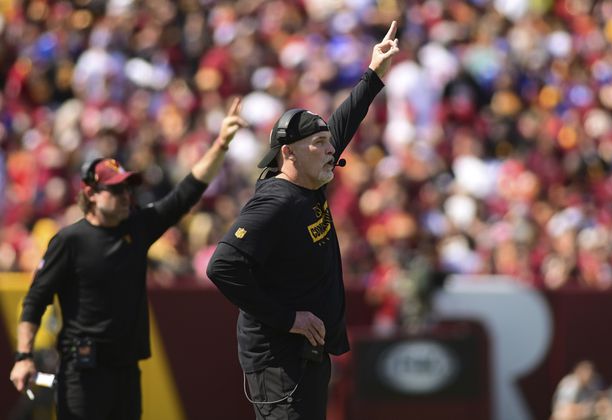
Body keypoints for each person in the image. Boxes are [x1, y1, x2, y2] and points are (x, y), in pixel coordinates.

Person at [207, 21, 399, 420]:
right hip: (279, 360)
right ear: (288, 154)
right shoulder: (276, 202)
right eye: (319, 144)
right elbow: (222, 266)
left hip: (306, 353)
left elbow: (342, 123)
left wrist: (373, 73)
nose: (331, 151)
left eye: (330, 143)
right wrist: (288, 318)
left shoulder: (310, 177)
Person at [9, 98, 247, 420]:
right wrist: (24, 355)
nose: (126, 197)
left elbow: (186, 193)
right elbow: (35, 300)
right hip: (83, 372)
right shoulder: (69, 241)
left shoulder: (138, 226)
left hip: (126, 369)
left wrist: (220, 144)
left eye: (128, 189)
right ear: (91, 194)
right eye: (116, 190)